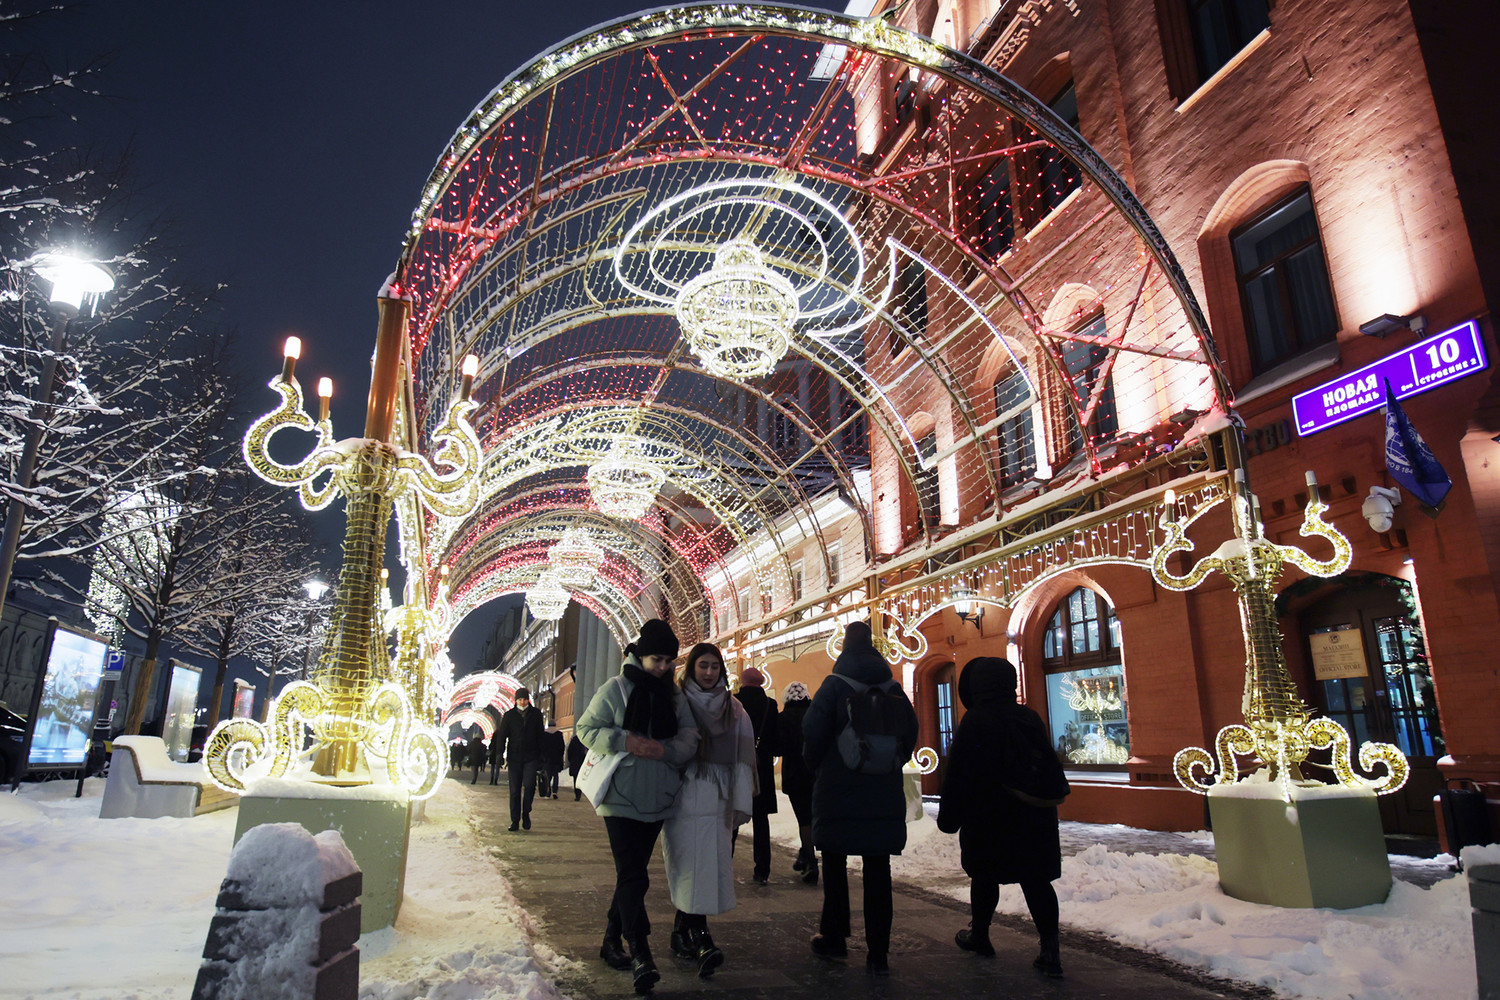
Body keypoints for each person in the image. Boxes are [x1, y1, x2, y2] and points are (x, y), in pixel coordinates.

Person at [575, 619, 699, 995]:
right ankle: (641, 952)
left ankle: (610, 941)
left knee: (632, 874)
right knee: (634, 875)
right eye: (656, 659)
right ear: (640, 656)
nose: (662, 667)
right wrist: (625, 741)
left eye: (668, 661)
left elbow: (691, 738)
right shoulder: (616, 689)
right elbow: (586, 728)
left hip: (658, 799)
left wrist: (665, 750)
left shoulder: (675, 698)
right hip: (619, 798)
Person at [937, 656, 1065, 978]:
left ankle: (980, 935)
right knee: (1037, 881)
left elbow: (959, 773)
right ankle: (1050, 949)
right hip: (1034, 817)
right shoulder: (1028, 717)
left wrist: (949, 816)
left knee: (984, 877)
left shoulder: (976, 720)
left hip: (990, 816)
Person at [802, 621, 918, 976]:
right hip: (882, 792)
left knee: (835, 866)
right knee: (878, 870)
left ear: (844, 649)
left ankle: (835, 937)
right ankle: (878, 951)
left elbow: (813, 732)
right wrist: (887, 761)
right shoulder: (893, 687)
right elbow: (910, 733)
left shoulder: (834, 686)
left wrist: (819, 766)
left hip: (838, 790)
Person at [662, 643, 755, 979]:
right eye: (703, 665)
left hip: (718, 801)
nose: (709, 672)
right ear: (691, 668)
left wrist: (742, 802)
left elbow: (744, 758)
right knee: (690, 865)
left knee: (708, 866)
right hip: (683, 798)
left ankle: (680, 933)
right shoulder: (676, 702)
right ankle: (701, 939)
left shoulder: (734, 708)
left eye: (715, 666)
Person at [731, 665, 779, 884]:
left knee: (732, 819)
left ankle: (724, 863)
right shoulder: (770, 704)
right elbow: (777, 742)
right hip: (763, 771)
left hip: (738, 766)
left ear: (742, 681)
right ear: (761, 683)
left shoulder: (734, 703)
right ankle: (762, 870)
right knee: (761, 822)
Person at [778, 681, 817, 884]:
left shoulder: (783, 718)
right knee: (813, 817)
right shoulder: (815, 715)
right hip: (815, 773)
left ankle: (810, 860)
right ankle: (805, 854)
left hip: (794, 775)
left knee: (804, 820)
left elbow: (778, 746)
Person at [494, 688, 546, 831]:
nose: (522, 702)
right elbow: (502, 736)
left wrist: (542, 757)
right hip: (514, 757)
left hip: (531, 756)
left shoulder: (535, 715)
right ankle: (515, 820)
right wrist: (499, 754)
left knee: (529, 786)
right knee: (515, 790)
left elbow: (541, 736)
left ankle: (526, 812)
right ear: (515, 700)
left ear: (528, 699)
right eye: (520, 699)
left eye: (524, 699)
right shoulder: (509, 716)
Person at [543, 726, 566, 798]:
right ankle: (555, 791)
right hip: (556, 759)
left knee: (548, 776)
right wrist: (560, 756)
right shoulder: (559, 734)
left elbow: (542, 746)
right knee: (556, 775)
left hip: (547, 759)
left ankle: (548, 792)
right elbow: (562, 746)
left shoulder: (545, 734)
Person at [567, 732, 587, 801]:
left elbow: (569, 751)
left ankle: (577, 794)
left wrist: (570, 760)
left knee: (575, 778)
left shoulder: (574, 740)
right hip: (583, 762)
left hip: (575, 762)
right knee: (581, 777)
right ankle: (579, 792)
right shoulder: (585, 740)